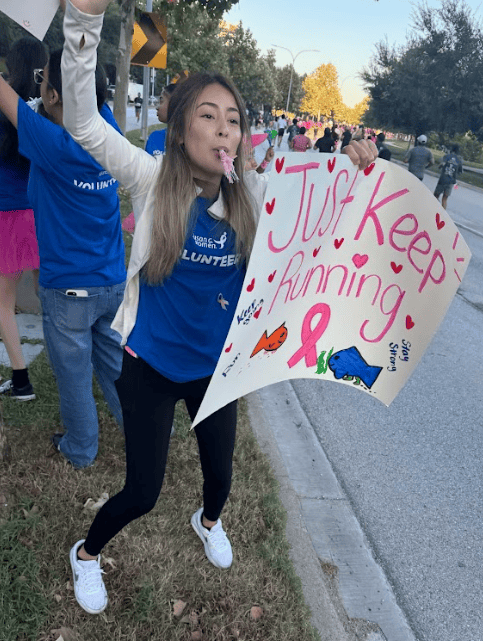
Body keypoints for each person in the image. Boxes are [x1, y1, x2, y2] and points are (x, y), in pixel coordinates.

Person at [60, 0, 377, 616]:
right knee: (143, 492)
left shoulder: (251, 194)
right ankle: (87, 554)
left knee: (222, 482)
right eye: (208, 116)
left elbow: (319, 208)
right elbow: (84, 126)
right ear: (182, 131)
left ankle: (207, 522)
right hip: (149, 365)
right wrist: (81, 24)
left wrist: (355, 171)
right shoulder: (153, 179)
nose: (224, 129)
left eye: (233, 119)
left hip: (217, 370)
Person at [0, 48, 126, 469]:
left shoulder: (51, 143)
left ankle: (80, 447)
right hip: (112, 282)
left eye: (43, 81)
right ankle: (139, 427)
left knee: (73, 376)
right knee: (114, 366)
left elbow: (4, 96)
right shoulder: (107, 129)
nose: (37, 86)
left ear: (54, 96)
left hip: (69, 290)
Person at [0, 37, 47, 402]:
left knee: (4, 301)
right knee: (53, 296)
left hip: (7, 211)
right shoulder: (46, 109)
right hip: (42, 210)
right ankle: (77, 363)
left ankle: (21, 382)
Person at [145, 83, 177, 156]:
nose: (157, 107)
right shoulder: (154, 137)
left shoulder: (191, 143)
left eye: (161, 101)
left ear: (175, 104)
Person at [434, 144, 463, 209]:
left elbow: (442, 164)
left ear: (451, 149)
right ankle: (443, 213)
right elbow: (460, 171)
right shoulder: (459, 160)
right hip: (451, 181)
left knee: (436, 196)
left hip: (443, 179)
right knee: (445, 199)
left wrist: (440, 167)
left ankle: (433, 210)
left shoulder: (447, 156)